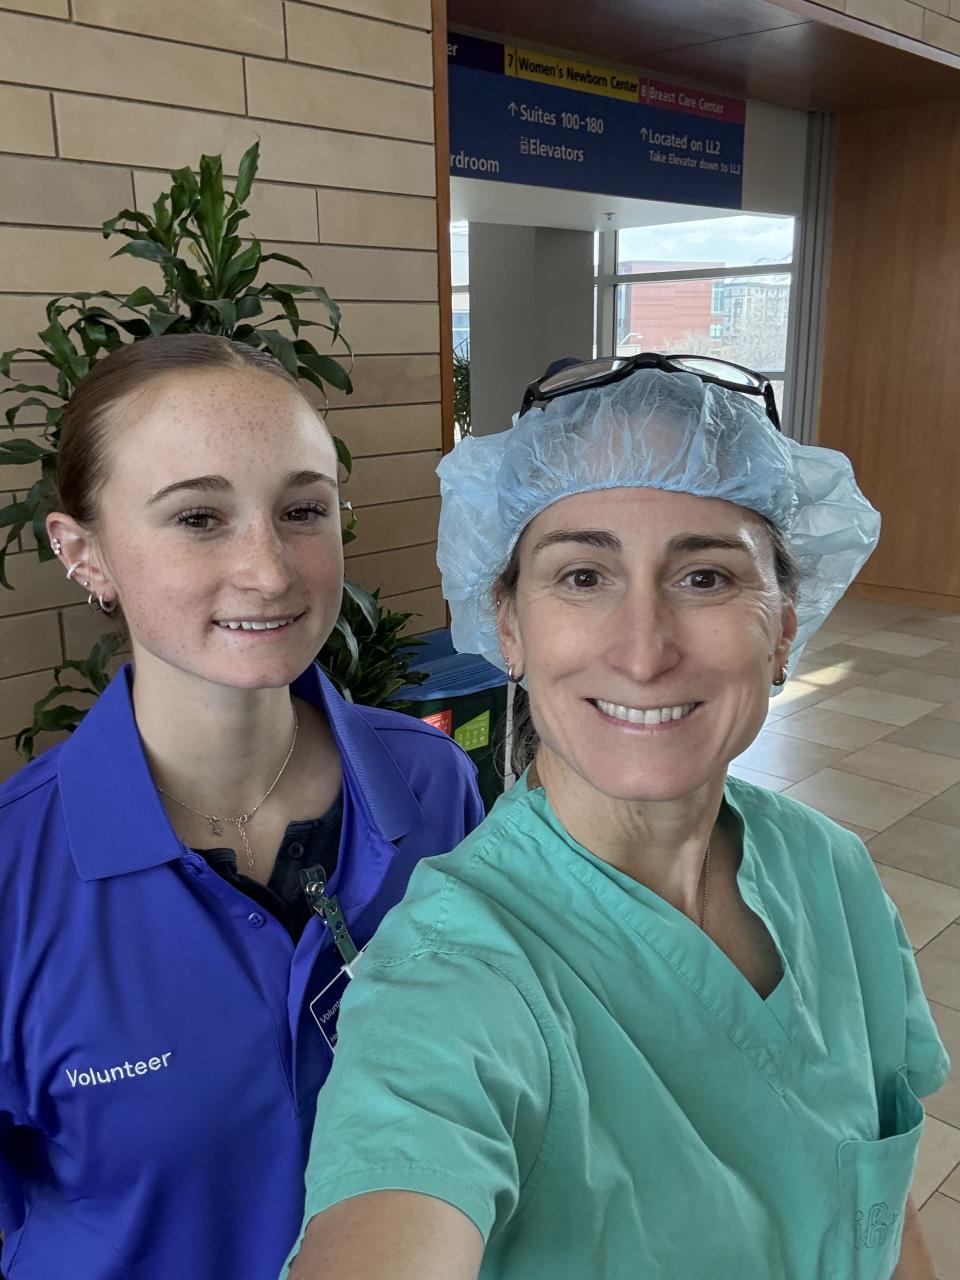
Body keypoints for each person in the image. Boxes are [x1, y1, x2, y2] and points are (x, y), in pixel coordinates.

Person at [287, 354, 949, 1280]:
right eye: (583, 576)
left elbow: (882, 1203)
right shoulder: (454, 974)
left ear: (785, 629)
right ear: (508, 627)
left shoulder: (829, 868)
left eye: (706, 578)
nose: (643, 652)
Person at [0, 334, 483, 1280]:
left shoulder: (432, 787)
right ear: (84, 553)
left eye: (302, 510)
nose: (270, 570)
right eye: (198, 517)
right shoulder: (17, 873)